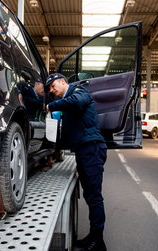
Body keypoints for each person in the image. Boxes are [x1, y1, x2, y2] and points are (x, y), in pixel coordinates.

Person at [45, 73, 107, 251]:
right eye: (49, 89)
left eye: (53, 86)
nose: (52, 90)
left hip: (92, 149)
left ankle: (98, 242)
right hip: (84, 150)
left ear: (63, 82)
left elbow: (76, 103)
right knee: (89, 195)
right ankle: (93, 237)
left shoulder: (79, 92)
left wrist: (49, 106)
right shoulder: (69, 100)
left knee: (94, 197)